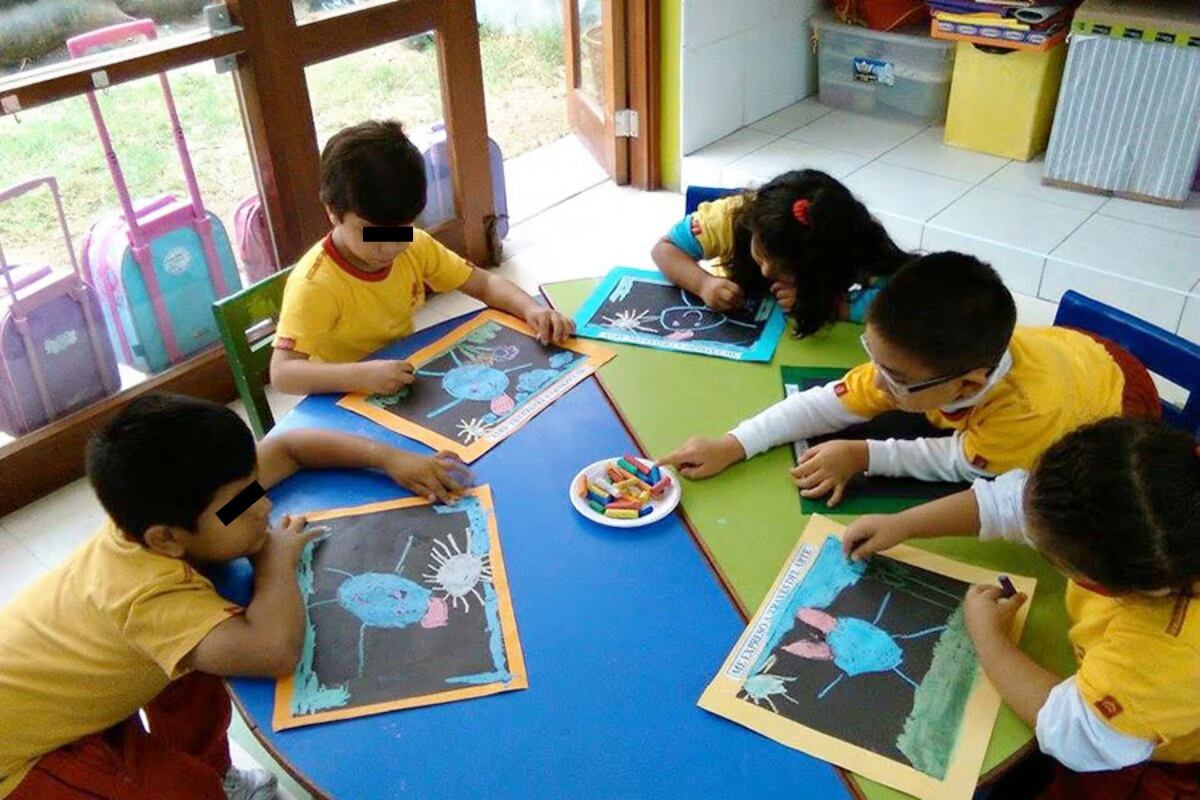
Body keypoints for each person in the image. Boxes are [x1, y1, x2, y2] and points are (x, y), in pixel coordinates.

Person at [0, 394, 470, 799]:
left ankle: (216, 772)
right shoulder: (146, 597)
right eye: (243, 504)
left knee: (197, 672)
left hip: (64, 684)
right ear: (166, 539)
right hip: (22, 758)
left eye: (253, 487)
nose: (262, 505)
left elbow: (290, 450)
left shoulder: (186, 504)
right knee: (183, 791)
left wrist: (389, 458)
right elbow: (273, 650)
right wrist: (274, 561)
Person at [841, 418, 1200, 799]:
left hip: (1155, 763)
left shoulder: (1164, 654)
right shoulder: (1154, 506)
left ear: (1104, 586)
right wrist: (904, 524)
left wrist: (989, 639)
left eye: (1049, 554)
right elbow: (1012, 505)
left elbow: (1076, 735)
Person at [661, 252, 1159, 507]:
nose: (877, 382)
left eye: (893, 377)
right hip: (1073, 350)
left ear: (966, 386)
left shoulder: (1028, 415)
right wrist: (735, 443)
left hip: (1117, 403)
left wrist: (864, 454)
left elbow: (958, 463)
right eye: (873, 359)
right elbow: (825, 404)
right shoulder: (916, 361)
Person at [271, 119, 574, 397]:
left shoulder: (413, 244)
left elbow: (484, 284)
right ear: (333, 213)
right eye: (372, 233)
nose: (389, 247)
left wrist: (531, 309)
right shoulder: (315, 284)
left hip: (400, 377)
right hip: (342, 394)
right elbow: (283, 373)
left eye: (402, 228)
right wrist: (359, 376)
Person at [651, 169, 909, 336]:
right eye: (761, 254)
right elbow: (664, 250)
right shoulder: (731, 218)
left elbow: (904, 305)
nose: (766, 271)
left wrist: (830, 305)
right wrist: (704, 283)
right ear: (752, 224)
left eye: (786, 269)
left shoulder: (854, 242)